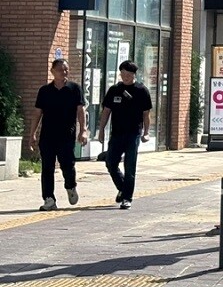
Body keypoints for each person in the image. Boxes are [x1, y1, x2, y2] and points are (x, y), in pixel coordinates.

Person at [31, 57, 88, 211]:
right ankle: (49, 199)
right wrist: (32, 134)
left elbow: (80, 111)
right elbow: (37, 113)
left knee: (67, 165)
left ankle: (70, 186)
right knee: (47, 167)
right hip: (47, 135)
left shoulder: (74, 88)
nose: (63, 72)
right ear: (52, 72)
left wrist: (83, 130)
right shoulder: (44, 91)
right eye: (60, 70)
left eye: (65, 69)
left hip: (66, 135)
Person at [97, 60, 152, 210]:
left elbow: (146, 114)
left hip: (134, 133)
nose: (125, 77)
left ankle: (127, 197)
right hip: (117, 133)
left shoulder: (142, 91)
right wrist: (101, 130)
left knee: (130, 165)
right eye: (123, 74)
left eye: (128, 74)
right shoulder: (114, 90)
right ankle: (122, 187)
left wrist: (146, 132)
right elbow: (106, 111)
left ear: (134, 74)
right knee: (110, 163)